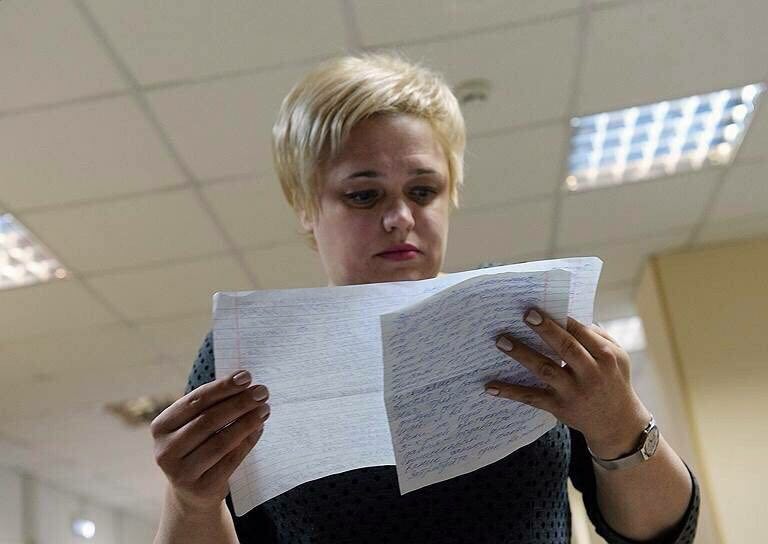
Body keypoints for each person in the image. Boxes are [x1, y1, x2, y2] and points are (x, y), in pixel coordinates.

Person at [151, 53, 699, 544]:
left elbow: (664, 534)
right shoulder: (249, 355)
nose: (399, 218)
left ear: (450, 193)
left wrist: (619, 422)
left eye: (422, 191)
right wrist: (190, 501)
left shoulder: (523, 315)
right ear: (305, 206)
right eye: (363, 195)